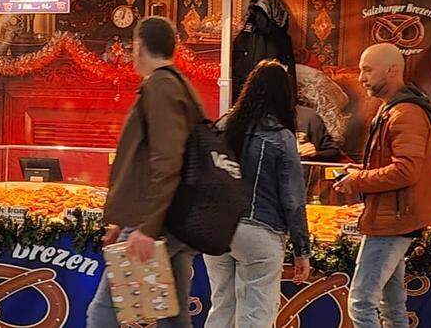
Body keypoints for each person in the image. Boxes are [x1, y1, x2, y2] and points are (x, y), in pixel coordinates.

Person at [87, 16, 204, 328]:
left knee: (103, 314)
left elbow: (167, 162)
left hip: (155, 223)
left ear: (137, 47)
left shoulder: (160, 86)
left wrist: (146, 228)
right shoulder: (179, 85)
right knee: (172, 318)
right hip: (174, 221)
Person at [334, 43, 431, 328]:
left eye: (367, 70)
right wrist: (360, 171)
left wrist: (358, 179)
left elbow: (406, 170)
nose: (360, 78)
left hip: (392, 221)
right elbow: (400, 166)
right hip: (393, 218)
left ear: (392, 70)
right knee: (392, 305)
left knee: (361, 302)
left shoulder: (404, 113)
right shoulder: (394, 110)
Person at [204, 60, 311, 328]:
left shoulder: (224, 124)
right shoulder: (282, 136)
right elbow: (293, 199)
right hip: (258, 232)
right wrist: (302, 250)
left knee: (221, 308)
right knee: (256, 315)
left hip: (216, 229)